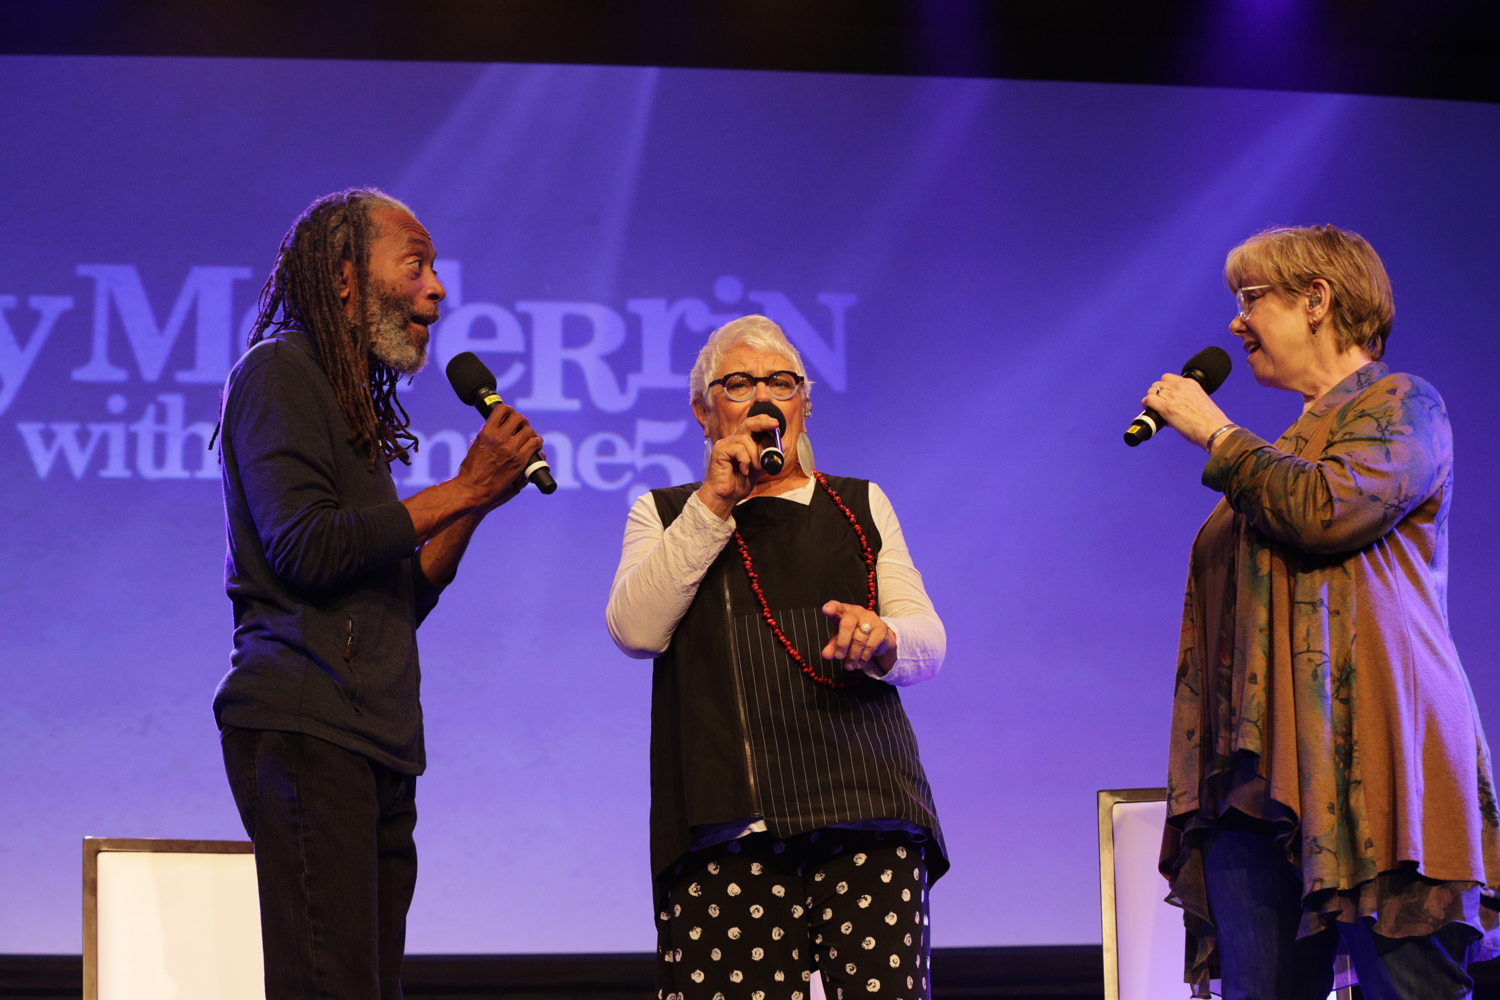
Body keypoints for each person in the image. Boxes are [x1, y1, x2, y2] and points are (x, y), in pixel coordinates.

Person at [1144, 225, 1500, 1000]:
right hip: (1257, 779)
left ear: (1317, 299)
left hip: (1376, 760)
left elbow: (1325, 508)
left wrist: (1216, 433)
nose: (1236, 324)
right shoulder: (1285, 447)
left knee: (1411, 986)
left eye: (1249, 300)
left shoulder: (1402, 405)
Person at [214, 188, 543, 999]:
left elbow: (401, 595)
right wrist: (462, 488)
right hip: (304, 722)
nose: (438, 288)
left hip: (377, 743)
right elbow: (305, 546)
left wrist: (479, 503)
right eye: (418, 263)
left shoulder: (348, 401)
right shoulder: (279, 372)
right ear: (344, 277)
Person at [607, 315, 948, 1000]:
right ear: (705, 412)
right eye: (738, 383)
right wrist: (714, 504)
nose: (763, 397)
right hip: (726, 830)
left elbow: (927, 641)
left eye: (781, 383)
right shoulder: (666, 512)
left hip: (865, 815)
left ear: (804, 405)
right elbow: (636, 630)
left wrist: (882, 639)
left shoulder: (859, 504)